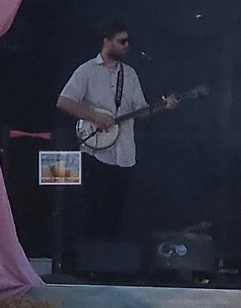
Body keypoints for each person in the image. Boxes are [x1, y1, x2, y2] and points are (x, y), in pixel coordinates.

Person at [57, 19, 174, 240]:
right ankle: (91, 255)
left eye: (127, 41)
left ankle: (112, 255)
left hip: (125, 154)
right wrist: (95, 116)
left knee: (117, 213)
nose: (126, 46)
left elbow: (140, 110)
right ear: (107, 41)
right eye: (122, 41)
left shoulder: (130, 74)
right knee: (93, 210)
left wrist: (162, 107)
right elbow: (64, 102)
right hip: (95, 152)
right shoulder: (86, 71)